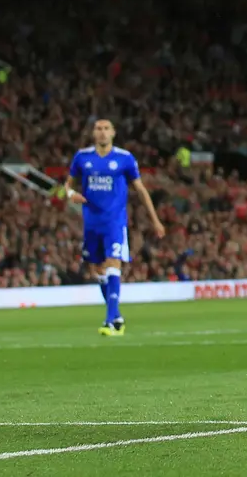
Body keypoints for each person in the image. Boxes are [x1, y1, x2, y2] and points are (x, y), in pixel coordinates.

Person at [64, 119, 166, 335]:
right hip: (91, 222)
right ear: (93, 133)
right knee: (96, 270)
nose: (102, 132)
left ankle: (111, 321)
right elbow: (68, 184)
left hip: (114, 221)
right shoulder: (82, 157)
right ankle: (116, 315)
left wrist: (155, 219)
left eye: (106, 129)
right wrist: (71, 194)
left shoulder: (124, 158)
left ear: (113, 133)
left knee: (113, 263)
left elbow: (140, 189)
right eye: (98, 129)